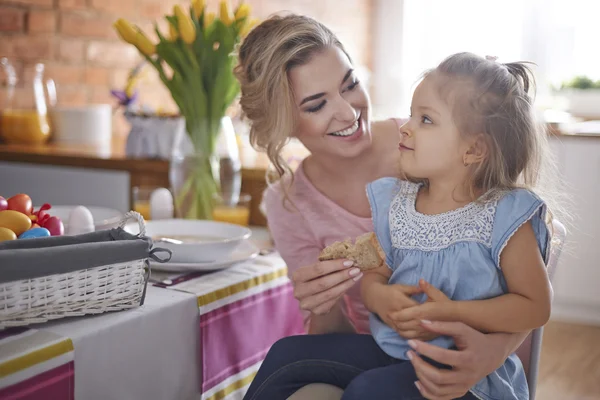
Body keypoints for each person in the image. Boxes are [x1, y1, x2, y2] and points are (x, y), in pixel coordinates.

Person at [235, 14, 538, 400]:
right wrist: (324, 302)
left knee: (365, 390)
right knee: (286, 356)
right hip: (380, 349)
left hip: (464, 362)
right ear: (282, 123)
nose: (348, 112)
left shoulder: (435, 149)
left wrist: (491, 352)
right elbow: (352, 312)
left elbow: (526, 274)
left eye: (351, 85)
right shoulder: (288, 203)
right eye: (316, 105)